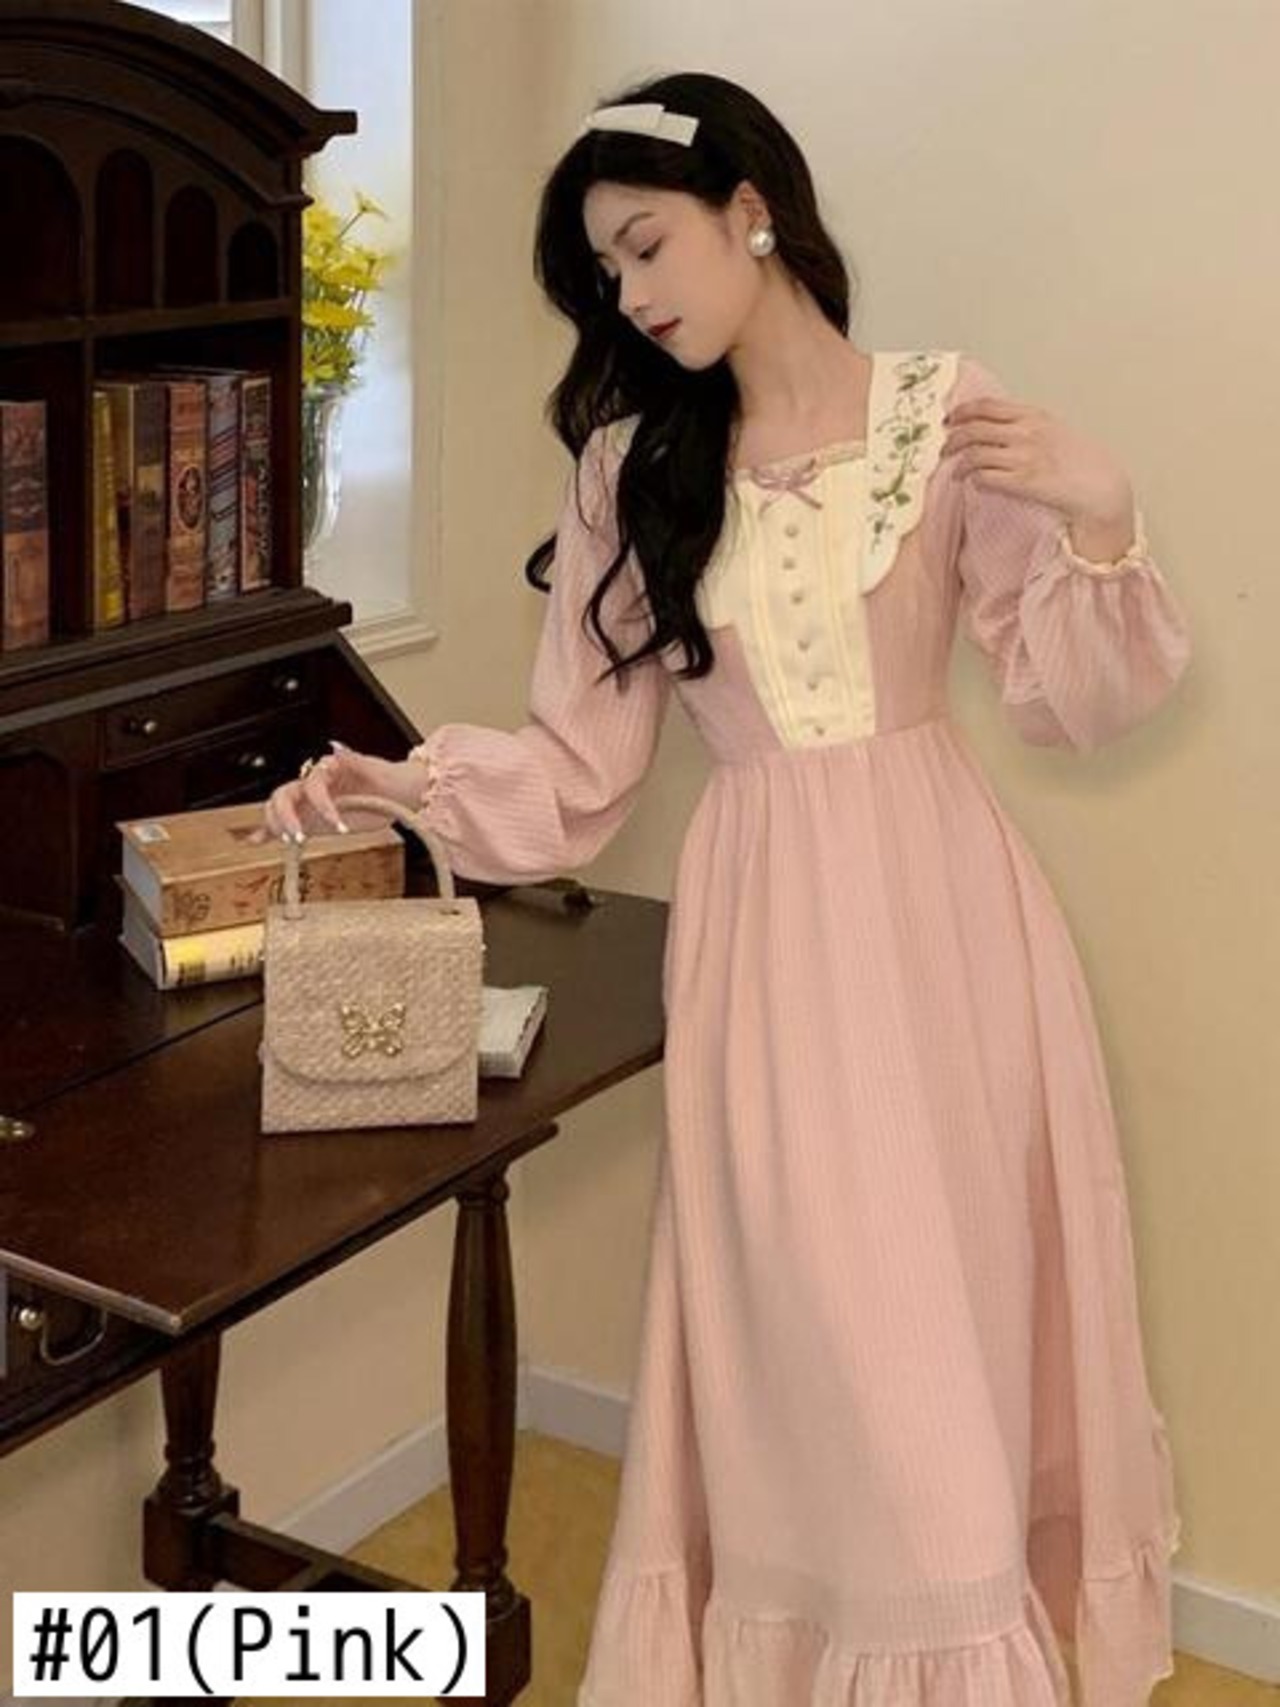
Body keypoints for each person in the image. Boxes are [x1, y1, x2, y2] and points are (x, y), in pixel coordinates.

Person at [264, 70, 1190, 1707]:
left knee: (965, 1336)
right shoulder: (632, 471)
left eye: (645, 247)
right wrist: (399, 787)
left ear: (750, 211)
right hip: (771, 954)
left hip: (957, 932)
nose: (629, 296)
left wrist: (1104, 520)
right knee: (837, 1364)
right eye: (604, 273)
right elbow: (578, 776)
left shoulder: (938, 414)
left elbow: (1074, 702)